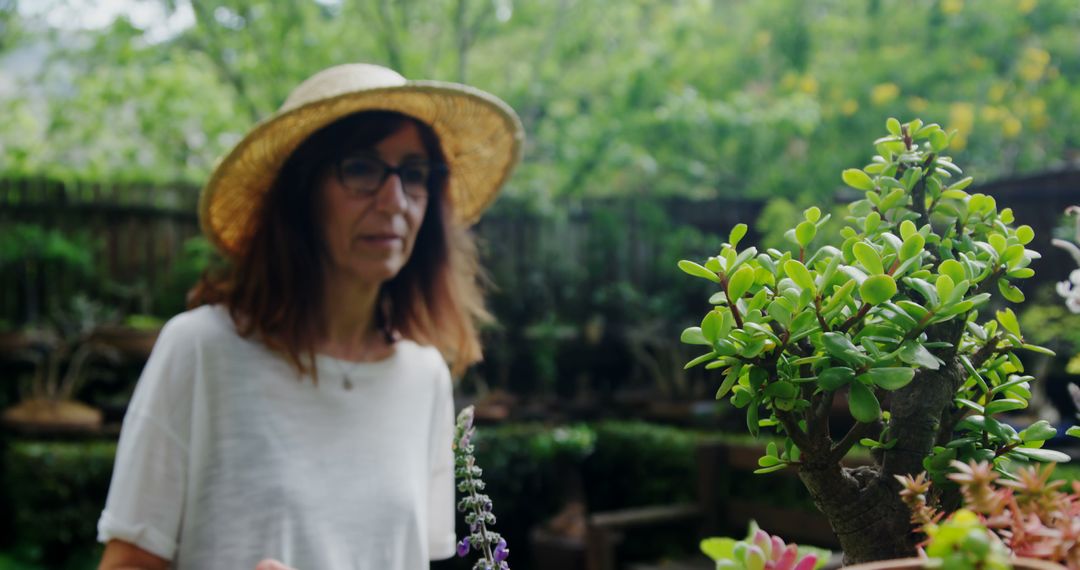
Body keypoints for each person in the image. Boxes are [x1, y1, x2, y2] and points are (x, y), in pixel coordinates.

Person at [96, 63, 524, 570]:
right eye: (362, 168)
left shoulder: (424, 376)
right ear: (302, 192)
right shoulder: (201, 350)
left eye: (413, 174)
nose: (394, 200)